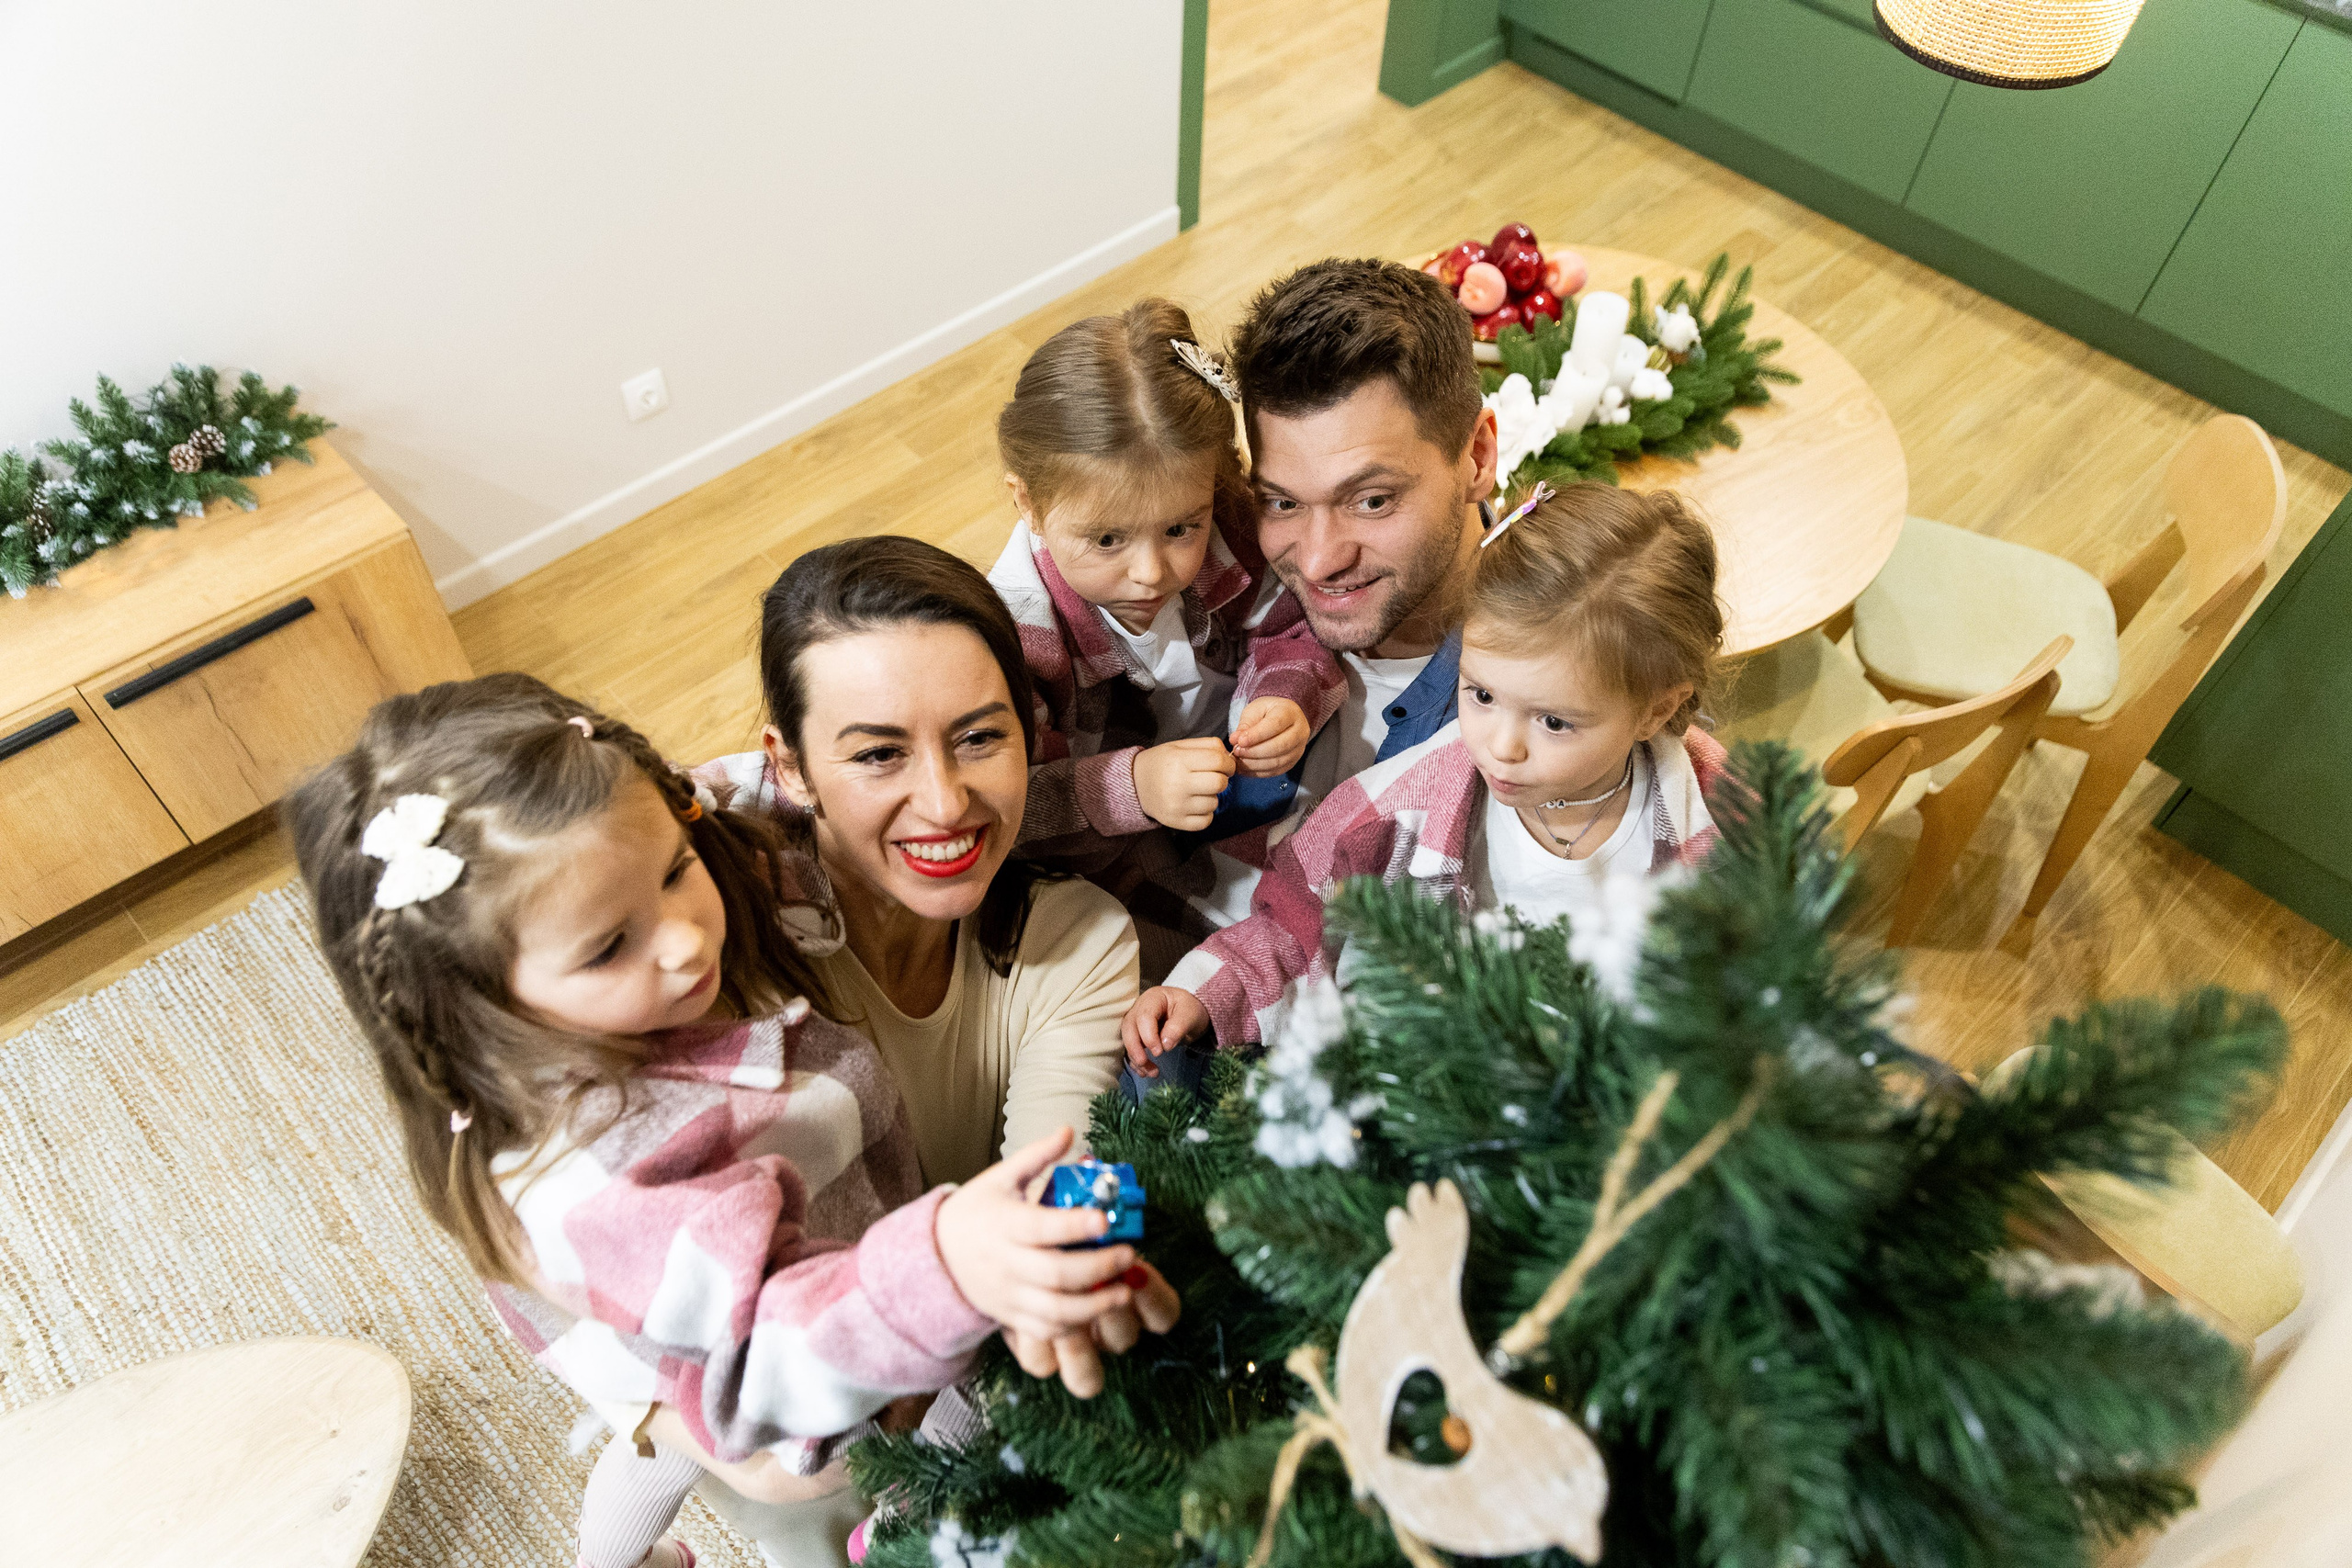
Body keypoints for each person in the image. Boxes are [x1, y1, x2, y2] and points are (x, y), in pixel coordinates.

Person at [287, 675, 1174, 1568]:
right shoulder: (604, 1176)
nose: (682, 940)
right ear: (475, 1004)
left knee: (656, 1449)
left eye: (677, 868)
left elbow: (726, 790)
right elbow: (772, 1371)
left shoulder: (657, 899)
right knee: (707, 1453)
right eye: (607, 946)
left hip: (779, 1268)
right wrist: (944, 1267)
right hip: (727, 1331)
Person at [1123, 482, 1732, 1058]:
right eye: (1482, 694)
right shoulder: (1397, 805)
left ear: (1657, 708)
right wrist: (1207, 993)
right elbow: (1295, 921)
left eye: (1553, 722)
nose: (1503, 746)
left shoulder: (1717, 810)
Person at [691, 536, 1136, 1197]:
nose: (945, 802)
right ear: (789, 767)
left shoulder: (1080, 940)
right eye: (878, 753)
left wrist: (1107, 1250)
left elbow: (1059, 1208)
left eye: (980, 737)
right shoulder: (718, 969)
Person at [989, 299, 1342, 876]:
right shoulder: (1011, 638)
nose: (1151, 572)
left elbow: (1296, 623)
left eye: (1181, 529)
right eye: (1106, 540)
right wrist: (1133, 788)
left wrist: (1285, 697)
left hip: (1244, 774)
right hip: (1104, 851)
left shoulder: (1233, 522)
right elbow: (1009, 804)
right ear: (1028, 503)